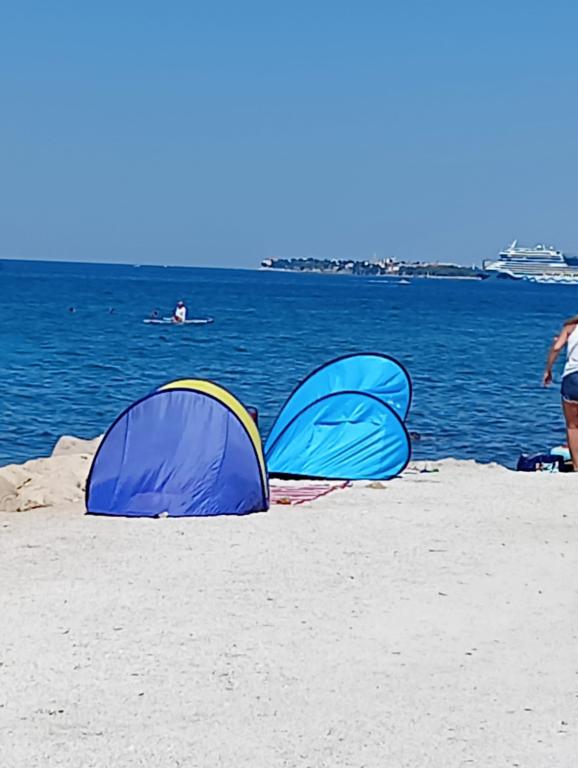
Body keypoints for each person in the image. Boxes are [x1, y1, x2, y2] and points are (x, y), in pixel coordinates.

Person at [543, 314, 578, 469]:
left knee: (573, 426)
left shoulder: (570, 328)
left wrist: (548, 370)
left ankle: (577, 466)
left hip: (573, 377)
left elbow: (557, 347)